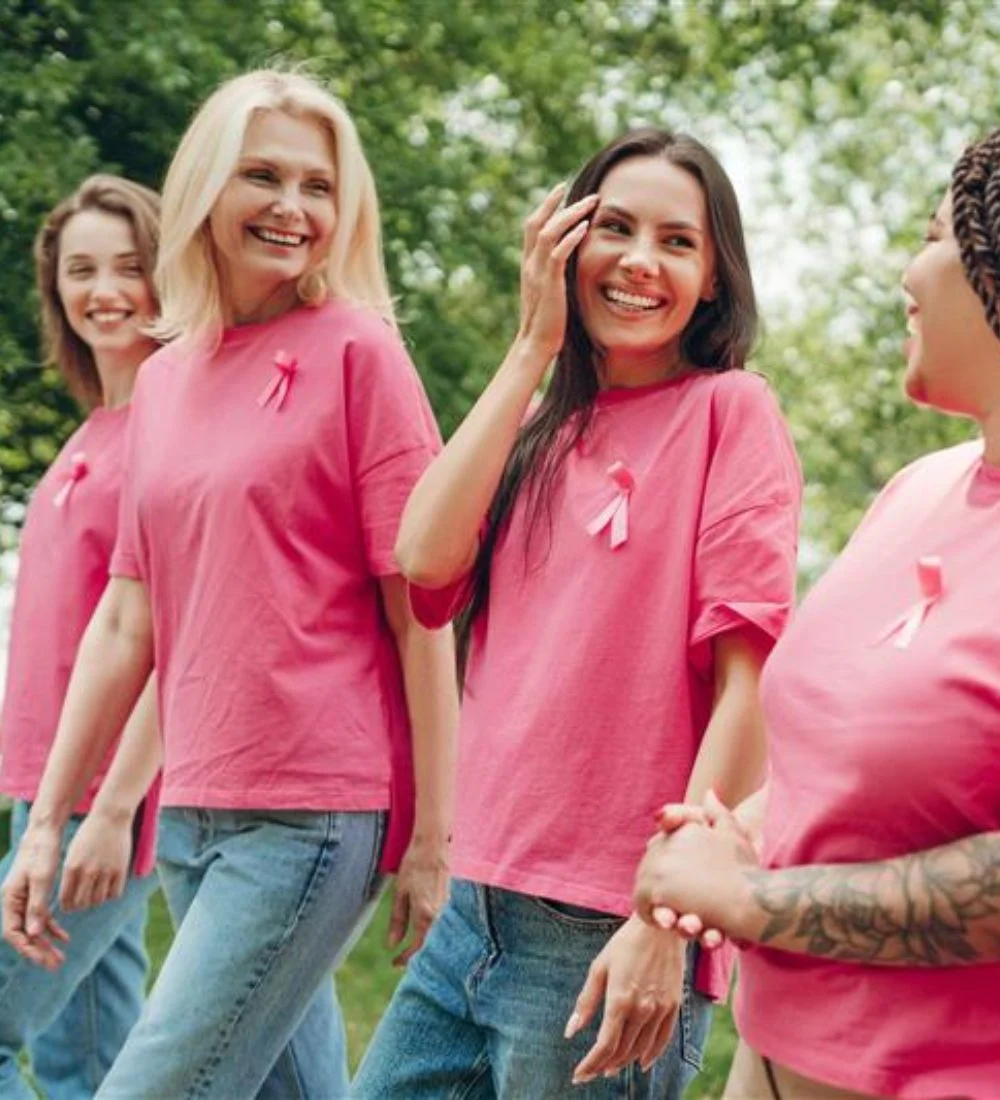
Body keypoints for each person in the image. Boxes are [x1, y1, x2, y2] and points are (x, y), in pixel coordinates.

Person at [1, 69, 457, 1099]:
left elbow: (421, 613)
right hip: (195, 811)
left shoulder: (360, 352)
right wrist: (46, 821)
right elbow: (130, 616)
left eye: (318, 184)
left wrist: (434, 835)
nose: (293, 207)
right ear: (208, 186)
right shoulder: (164, 374)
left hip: (310, 810)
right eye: (262, 175)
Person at [633, 119, 1000, 1100]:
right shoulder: (918, 489)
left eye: (933, 237)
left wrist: (746, 897)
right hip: (768, 1056)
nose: (906, 270)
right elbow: (827, 763)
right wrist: (722, 837)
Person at [355, 129, 802, 1098]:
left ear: (715, 278)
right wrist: (529, 346)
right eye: (614, 227)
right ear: (563, 246)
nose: (639, 261)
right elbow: (421, 557)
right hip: (476, 907)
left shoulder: (731, 413)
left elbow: (747, 692)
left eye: (677, 242)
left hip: (609, 924)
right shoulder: (534, 426)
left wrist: (664, 919)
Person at [0, 175, 162, 1100]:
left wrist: (111, 807)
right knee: (85, 1057)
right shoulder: (99, 426)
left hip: (99, 794)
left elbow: (173, 635)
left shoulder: (169, 430)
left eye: (130, 267)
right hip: (45, 783)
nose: (103, 289)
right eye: (80, 269)